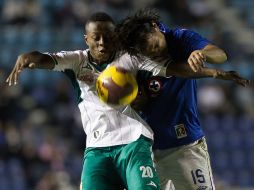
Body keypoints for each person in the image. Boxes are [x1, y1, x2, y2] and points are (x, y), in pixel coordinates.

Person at [6, 12, 168, 190]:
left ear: (116, 37)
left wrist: (202, 70)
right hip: (97, 148)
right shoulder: (77, 60)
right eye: (96, 37)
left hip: (133, 140)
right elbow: (45, 59)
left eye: (107, 37)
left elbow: (167, 70)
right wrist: (28, 57)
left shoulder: (130, 58)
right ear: (86, 39)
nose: (102, 43)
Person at [116, 9, 250, 190]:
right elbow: (131, 99)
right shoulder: (134, 59)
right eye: (150, 54)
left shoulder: (181, 38)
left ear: (156, 27)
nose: (155, 55)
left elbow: (219, 55)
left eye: (155, 46)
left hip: (186, 147)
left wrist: (202, 54)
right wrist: (135, 100)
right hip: (147, 150)